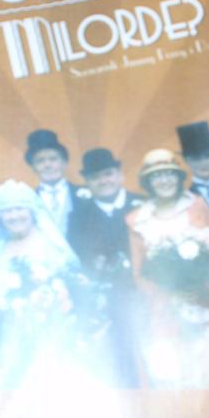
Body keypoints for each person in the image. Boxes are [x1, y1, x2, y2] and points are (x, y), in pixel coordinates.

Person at [126, 149, 209, 389]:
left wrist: (203, 286)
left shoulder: (196, 206)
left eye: (169, 174)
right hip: (169, 309)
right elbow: (140, 272)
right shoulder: (138, 220)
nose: (164, 180)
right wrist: (172, 294)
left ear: (179, 177)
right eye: (157, 176)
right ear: (148, 181)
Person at [0, 180, 95, 390]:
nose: (14, 216)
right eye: (7, 211)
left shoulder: (50, 246)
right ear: (0, 217)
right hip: (10, 338)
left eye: (20, 208)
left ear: (32, 211)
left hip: (51, 333)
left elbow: (69, 291)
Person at [67, 148, 144, 386]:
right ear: (87, 182)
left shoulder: (141, 206)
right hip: (105, 308)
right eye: (95, 177)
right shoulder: (78, 217)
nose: (103, 181)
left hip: (143, 300)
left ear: (120, 174)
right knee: (116, 369)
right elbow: (80, 264)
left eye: (108, 174)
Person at [24, 129, 89, 237]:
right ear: (33, 168)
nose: (47, 165)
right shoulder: (28, 200)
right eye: (40, 161)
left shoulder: (87, 194)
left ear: (64, 163)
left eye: (53, 159)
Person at [176, 120, 209, 220]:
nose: (203, 163)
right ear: (186, 160)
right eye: (196, 158)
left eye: (208, 156)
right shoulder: (185, 200)